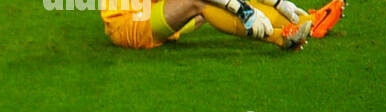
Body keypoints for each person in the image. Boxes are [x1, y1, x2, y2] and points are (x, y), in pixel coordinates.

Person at [100, 0, 343, 51]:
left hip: (153, 12)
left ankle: (308, 23)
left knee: (213, 6)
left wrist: (277, 2)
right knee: (199, 2)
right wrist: (242, 9)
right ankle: (278, 37)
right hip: (129, 25)